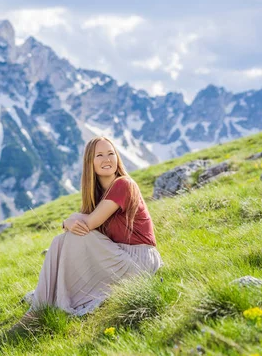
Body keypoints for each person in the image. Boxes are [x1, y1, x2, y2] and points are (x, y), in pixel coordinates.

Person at [27, 136, 163, 317]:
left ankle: (45, 304)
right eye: (99, 155)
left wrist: (68, 221)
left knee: (75, 233)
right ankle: (43, 304)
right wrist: (68, 223)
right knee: (61, 240)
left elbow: (88, 223)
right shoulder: (96, 197)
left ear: (117, 158)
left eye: (111, 153)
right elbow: (83, 225)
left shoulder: (124, 184)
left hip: (138, 260)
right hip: (117, 256)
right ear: (90, 162)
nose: (107, 159)